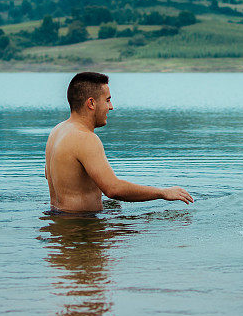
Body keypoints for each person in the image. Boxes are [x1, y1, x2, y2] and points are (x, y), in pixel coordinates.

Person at [45, 71, 193, 213]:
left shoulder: (57, 131)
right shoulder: (84, 138)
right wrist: (163, 193)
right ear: (91, 103)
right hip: (82, 228)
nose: (111, 107)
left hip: (58, 220)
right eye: (107, 100)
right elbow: (113, 189)